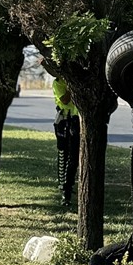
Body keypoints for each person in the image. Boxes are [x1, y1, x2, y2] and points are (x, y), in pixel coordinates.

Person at [52, 76, 80, 207]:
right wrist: (71, 85)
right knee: (64, 155)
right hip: (65, 122)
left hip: (76, 120)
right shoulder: (58, 82)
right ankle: (64, 189)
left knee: (74, 158)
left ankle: (68, 186)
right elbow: (65, 99)